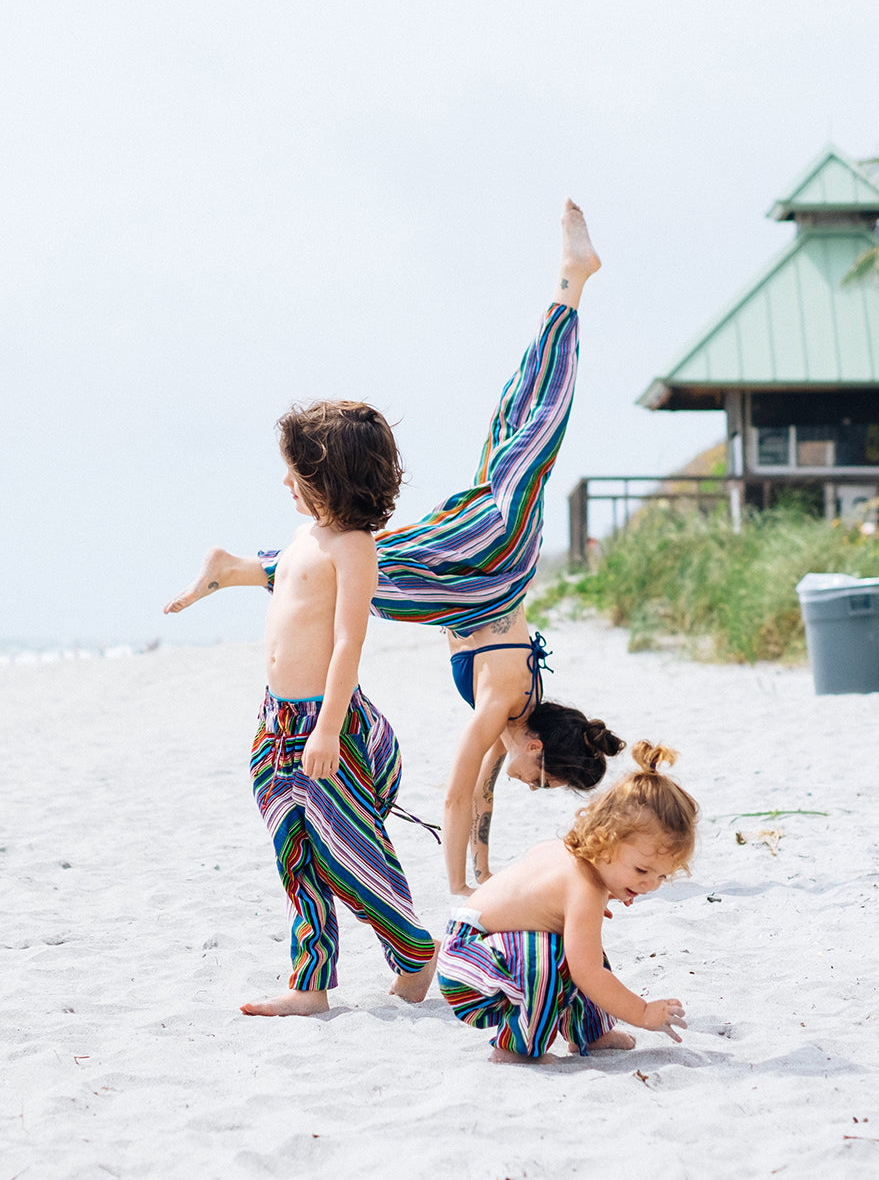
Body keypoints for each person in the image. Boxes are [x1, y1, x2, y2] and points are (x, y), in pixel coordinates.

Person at [164, 199, 623, 897]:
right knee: (528, 437)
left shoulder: (516, 710)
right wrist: (462, 892)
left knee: (504, 441)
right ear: (535, 747)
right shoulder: (503, 702)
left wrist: (485, 868)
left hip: (465, 580)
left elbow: (482, 797)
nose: (529, 785)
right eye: (542, 780)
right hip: (483, 571)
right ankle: (572, 279)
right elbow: (457, 796)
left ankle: (238, 568)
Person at [167, 398, 438, 1017]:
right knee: (296, 852)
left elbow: (348, 644)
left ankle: (413, 951)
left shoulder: (354, 548)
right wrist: (220, 574)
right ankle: (310, 983)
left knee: (349, 850)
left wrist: (328, 730)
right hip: (276, 721)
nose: (285, 481)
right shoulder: (303, 538)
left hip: (331, 724)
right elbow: (280, 579)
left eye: (296, 472)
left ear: (329, 478)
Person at [436, 741, 698, 1063]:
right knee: (552, 959)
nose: (650, 885)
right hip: (468, 963)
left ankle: (591, 1033)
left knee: (580, 948)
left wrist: (582, 904)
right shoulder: (583, 887)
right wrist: (642, 1012)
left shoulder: (567, 857)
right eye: (641, 870)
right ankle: (518, 1048)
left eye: (661, 876)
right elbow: (588, 974)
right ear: (604, 839)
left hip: (487, 953)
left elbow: (528, 887)